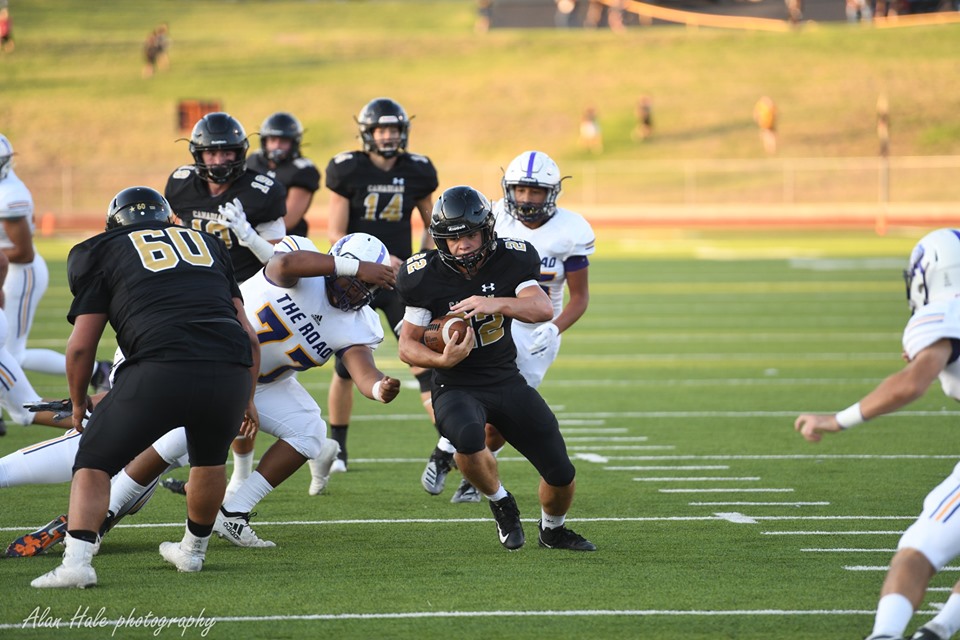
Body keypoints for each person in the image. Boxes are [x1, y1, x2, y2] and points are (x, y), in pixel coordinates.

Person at [23, 233, 400, 552]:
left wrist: (380, 387)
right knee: (172, 440)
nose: (355, 291)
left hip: (265, 383)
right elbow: (284, 266)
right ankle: (100, 501)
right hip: (212, 361)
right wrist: (352, 268)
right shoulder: (303, 264)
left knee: (311, 433)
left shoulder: (359, 323)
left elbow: (362, 370)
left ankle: (233, 513)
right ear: (338, 264)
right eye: (353, 280)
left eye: (364, 287)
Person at [31, 186, 260, 588]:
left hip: (161, 365)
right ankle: (192, 553)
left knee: (94, 459)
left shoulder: (100, 250)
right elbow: (250, 335)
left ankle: (77, 564)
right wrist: (248, 397)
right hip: (231, 366)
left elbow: (82, 346)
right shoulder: (206, 242)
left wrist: (81, 401)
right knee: (209, 460)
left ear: (113, 224)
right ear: (167, 217)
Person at [396, 185, 596, 552]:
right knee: (469, 440)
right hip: (456, 384)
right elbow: (406, 345)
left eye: (471, 234)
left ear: (487, 230)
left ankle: (553, 530)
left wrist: (495, 303)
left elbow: (542, 309)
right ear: (440, 239)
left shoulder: (513, 258)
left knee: (561, 471)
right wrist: (441, 360)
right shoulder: (422, 274)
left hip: (505, 377)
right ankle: (501, 502)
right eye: (454, 238)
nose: (464, 245)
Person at [794, 228, 960, 640]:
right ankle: (938, 631)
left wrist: (837, 419)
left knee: (919, 550)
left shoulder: (945, 313)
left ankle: (885, 636)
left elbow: (910, 384)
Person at [442, 151, 596, 504]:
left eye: (535, 191)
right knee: (471, 398)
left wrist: (555, 329)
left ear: (552, 192)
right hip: (491, 323)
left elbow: (580, 297)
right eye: (520, 190)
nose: (526, 199)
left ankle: (479, 465)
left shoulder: (571, 230)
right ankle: (449, 452)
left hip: (536, 331)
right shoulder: (491, 218)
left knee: (501, 419)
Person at [165, 111, 286, 496]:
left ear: (241, 152)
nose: (218, 161)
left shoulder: (262, 189)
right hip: (193, 293)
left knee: (237, 388)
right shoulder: (181, 184)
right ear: (198, 154)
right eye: (210, 154)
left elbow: (281, 260)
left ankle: (234, 471)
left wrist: (248, 236)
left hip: (246, 295)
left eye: (226, 153)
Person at [325, 97, 438, 475]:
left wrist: (419, 262)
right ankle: (337, 448)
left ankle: (450, 446)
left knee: (422, 356)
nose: (388, 136)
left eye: (393, 129)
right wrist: (365, 262)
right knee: (345, 366)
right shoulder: (348, 169)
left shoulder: (418, 170)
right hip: (353, 279)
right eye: (381, 129)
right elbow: (335, 232)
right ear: (367, 133)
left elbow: (433, 227)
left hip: (396, 280)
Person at [0, 133, 111, 407]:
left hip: (19, 273)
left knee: (13, 353)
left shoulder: (10, 195)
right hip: (8, 268)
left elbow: (23, 253)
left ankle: (97, 371)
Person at [246, 112, 321, 237]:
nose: (277, 146)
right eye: (273, 140)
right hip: (248, 232)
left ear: (294, 143)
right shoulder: (253, 161)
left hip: (286, 241)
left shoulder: (301, 171)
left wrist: (248, 232)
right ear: (265, 141)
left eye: (283, 141)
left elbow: (288, 221)